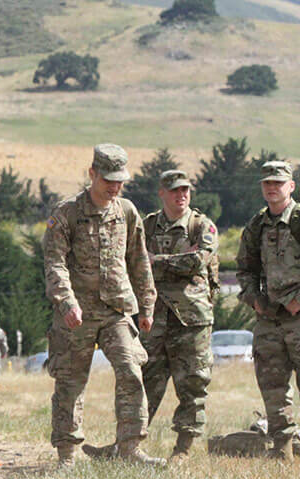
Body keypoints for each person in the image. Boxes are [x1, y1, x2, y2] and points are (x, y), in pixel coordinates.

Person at [42, 144, 164, 467]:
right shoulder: (66, 213)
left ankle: (130, 448)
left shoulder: (126, 212)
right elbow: (54, 264)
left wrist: (147, 306)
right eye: (108, 180)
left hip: (116, 310)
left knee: (130, 369)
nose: (115, 187)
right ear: (92, 174)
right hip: (76, 316)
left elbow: (140, 261)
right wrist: (66, 302)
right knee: (70, 380)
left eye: (120, 181)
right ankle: (67, 454)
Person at [85, 170, 219, 463]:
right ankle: (126, 446)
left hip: (191, 320)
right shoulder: (146, 224)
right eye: (174, 190)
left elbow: (198, 261)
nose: (181, 195)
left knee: (193, 384)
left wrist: (153, 261)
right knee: (142, 383)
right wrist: (163, 263)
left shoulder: (201, 225)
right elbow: (130, 262)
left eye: (185, 190)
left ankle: (183, 450)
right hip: (152, 318)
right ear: (162, 193)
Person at [235, 160, 300, 462]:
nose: (272, 187)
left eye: (278, 182)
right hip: (270, 319)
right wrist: (255, 300)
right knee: (272, 385)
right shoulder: (257, 224)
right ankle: (283, 448)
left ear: (291, 186)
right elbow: (245, 269)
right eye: (267, 183)